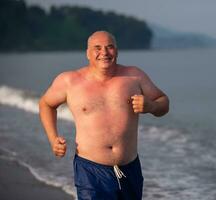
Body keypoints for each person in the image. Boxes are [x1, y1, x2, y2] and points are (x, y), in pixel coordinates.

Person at [39, 31, 169, 200]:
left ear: (117, 51)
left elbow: (163, 102)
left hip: (130, 170)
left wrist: (151, 106)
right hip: (91, 173)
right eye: (97, 48)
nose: (104, 53)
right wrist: (53, 138)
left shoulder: (134, 76)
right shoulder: (70, 81)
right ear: (87, 53)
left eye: (110, 47)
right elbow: (46, 104)